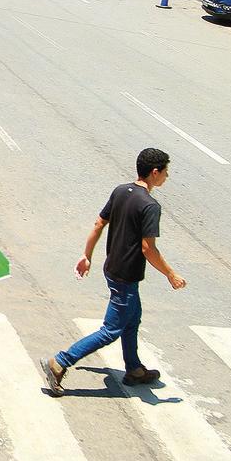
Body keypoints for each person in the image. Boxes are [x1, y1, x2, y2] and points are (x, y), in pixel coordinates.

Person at [40, 148, 187, 397]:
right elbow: (148, 249)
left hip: (112, 268)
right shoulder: (150, 205)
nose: (167, 176)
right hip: (126, 275)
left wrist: (87, 256)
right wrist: (170, 274)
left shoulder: (121, 191)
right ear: (154, 172)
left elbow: (99, 223)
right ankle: (60, 362)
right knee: (111, 330)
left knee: (132, 319)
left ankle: (134, 369)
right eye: (165, 172)